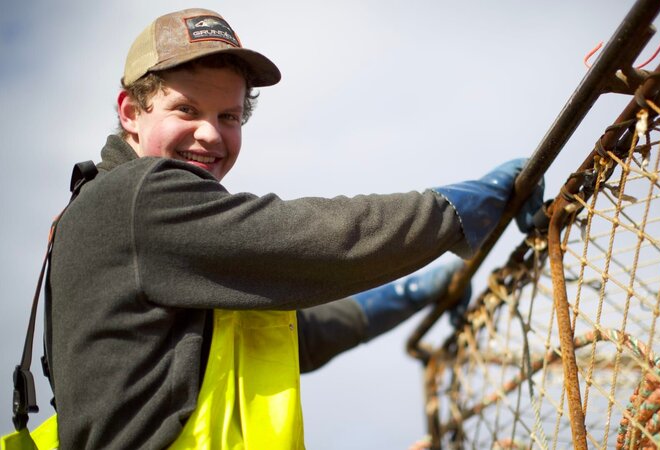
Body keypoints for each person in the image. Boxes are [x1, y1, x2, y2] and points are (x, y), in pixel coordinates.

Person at [14, 8, 544, 449]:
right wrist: (467, 204)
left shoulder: (135, 230)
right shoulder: (140, 198)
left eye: (229, 117)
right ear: (130, 111)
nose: (209, 135)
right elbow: (319, 241)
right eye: (186, 109)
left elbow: (289, 336)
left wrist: (410, 292)